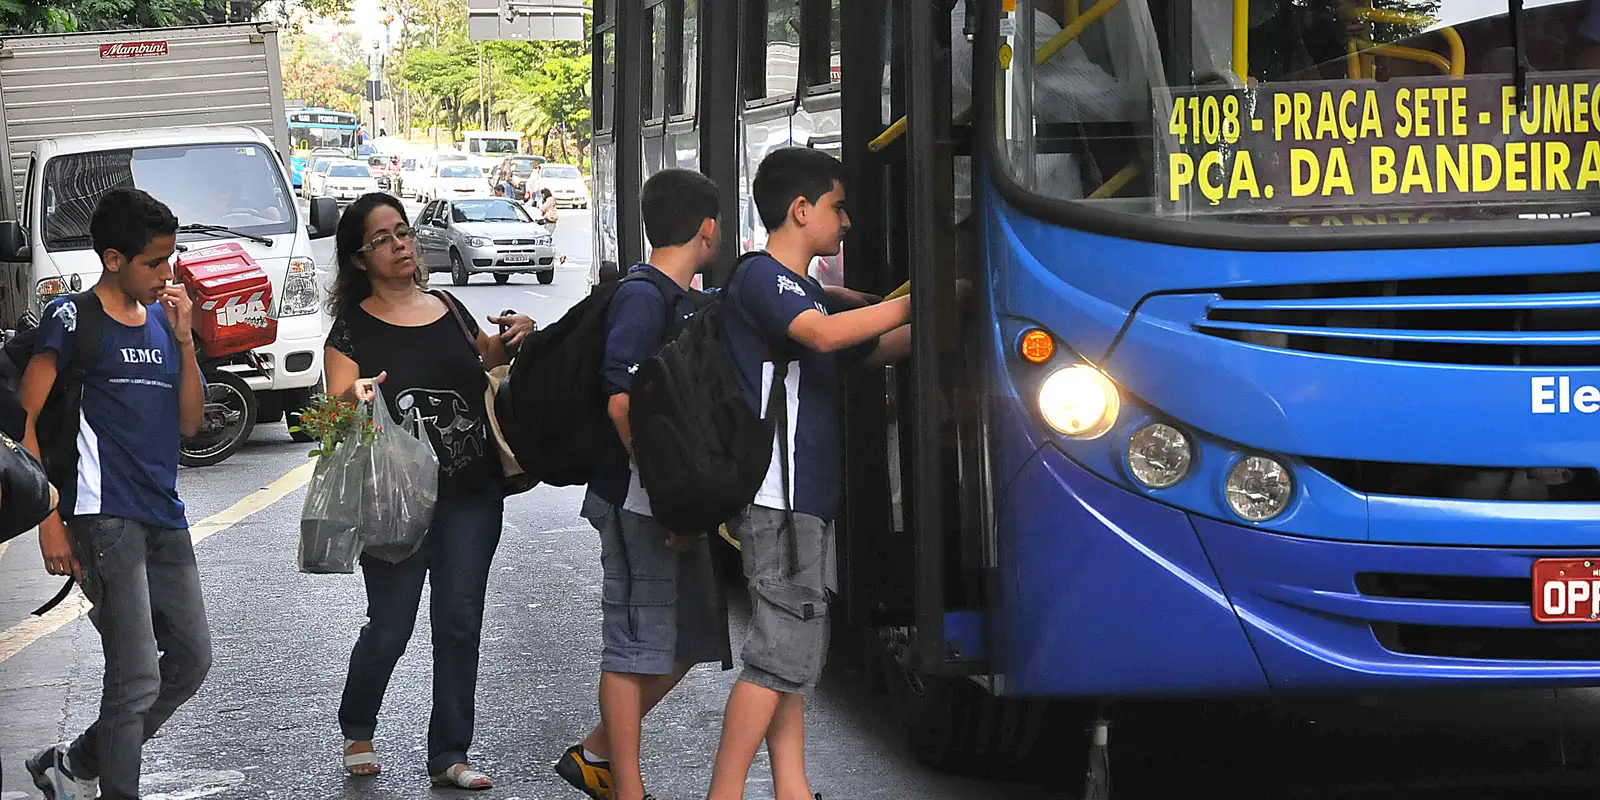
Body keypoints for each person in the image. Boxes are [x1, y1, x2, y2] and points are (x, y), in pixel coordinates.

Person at [705, 147, 912, 800]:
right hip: (778, 499)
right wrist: (917, 301)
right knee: (776, 659)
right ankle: (725, 793)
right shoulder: (764, 280)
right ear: (801, 210)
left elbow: (864, 346)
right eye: (838, 206)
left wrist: (945, 314)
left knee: (791, 657)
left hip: (800, 500)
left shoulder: (807, 294)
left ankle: (793, 789)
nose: (847, 221)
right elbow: (824, 336)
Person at [323, 192, 536, 790]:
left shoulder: (449, 306)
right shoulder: (352, 328)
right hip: (394, 499)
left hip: (471, 492)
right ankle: (358, 727)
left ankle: (449, 754)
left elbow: (488, 360)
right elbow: (336, 396)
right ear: (360, 258)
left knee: (460, 619)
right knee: (391, 623)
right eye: (383, 239)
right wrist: (357, 395)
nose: (400, 245)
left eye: (403, 232)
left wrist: (521, 335)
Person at [20, 188, 210, 800]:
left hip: (164, 513)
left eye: (171, 259)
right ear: (112, 260)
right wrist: (50, 517)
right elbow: (20, 421)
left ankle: (75, 763)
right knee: (134, 679)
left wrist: (183, 341)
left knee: (189, 662)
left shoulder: (162, 319)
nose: (168, 273)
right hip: (103, 519)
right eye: (156, 263)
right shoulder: (74, 318)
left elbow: (189, 424)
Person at [554, 169, 730, 800]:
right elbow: (621, 401)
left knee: (692, 636)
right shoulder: (643, 296)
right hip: (636, 498)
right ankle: (624, 786)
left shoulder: (679, 297)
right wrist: (667, 498)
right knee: (634, 643)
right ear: (707, 228)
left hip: (657, 497)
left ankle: (598, 753)